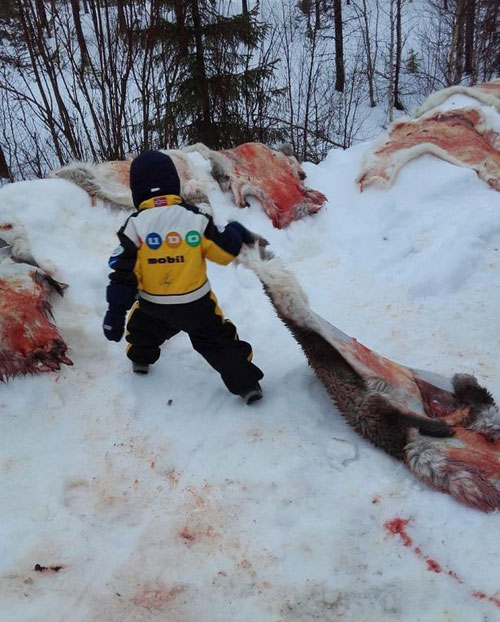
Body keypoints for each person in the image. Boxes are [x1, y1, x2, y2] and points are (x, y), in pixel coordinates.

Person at [102, 150, 264, 405]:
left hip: (154, 305)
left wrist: (114, 313)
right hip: (196, 306)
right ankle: (246, 384)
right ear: (174, 185)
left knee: (142, 327)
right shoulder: (195, 218)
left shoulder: (133, 226)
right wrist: (236, 230)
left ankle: (140, 358)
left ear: (137, 191)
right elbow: (224, 252)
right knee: (219, 342)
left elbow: (123, 274)